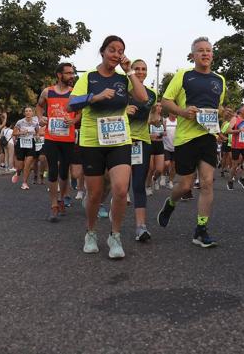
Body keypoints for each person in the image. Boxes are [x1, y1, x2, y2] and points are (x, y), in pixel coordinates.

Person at [68, 35, 147, 257]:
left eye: (120, 51)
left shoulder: (123, 79)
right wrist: (95, 96)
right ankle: (91, 232)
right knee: (95, 194)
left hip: (119, 139)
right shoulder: (89, 78)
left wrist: (130, 71)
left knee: (121, 189)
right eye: (112, 50)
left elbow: (142, 97)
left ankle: (115, 236)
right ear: (102, 52)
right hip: (92, 141)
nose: (116, 54)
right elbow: (70, 104)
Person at [156, 36, 226, 247]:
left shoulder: (219, 80)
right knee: (185, 185)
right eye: (200, 50)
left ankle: (201, 230)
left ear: (212, 54)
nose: (205, 53)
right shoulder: (183, 75)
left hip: (207, 137)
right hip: (186, 138)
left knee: (206, 182)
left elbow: (215, 109)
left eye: (208, 50)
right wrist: (183, 112)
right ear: (193, 55)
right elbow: (166, 101)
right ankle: (170, 203)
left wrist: (223, 115)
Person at [36, 62, 80, 222]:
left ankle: (62, 199)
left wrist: (73, 120)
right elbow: (39, 107)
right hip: (51, 137)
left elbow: (80, 114)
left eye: (72, 73)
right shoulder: (48, 92)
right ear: (59, 75)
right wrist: (40, 118)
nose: (72, 76)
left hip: (68, 138)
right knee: (53, 170)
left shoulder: (75, 93)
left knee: (64, 172)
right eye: (68, 73)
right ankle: (53, 205)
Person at [126, 59, 158, 241]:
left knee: (138, 184)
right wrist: (123, 109)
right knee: (116, 185)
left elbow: (147, 115)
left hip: (141, 142)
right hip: (120, 141)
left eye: (143, 69)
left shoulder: (151, 94)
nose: (140, 71)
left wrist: (155, 118)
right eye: (136, 68)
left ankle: (141, 227)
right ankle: (97, 202)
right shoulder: (122, 90)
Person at [226, 104, 244, 190]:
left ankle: (242, 178)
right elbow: (228, 130)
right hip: (236, 146)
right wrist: (237, 130)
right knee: (234, 166)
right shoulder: (235, 119)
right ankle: (230, 181)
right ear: (241, 111)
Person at [11, 107, 40, 189]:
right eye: (26, 111)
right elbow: (14, 133)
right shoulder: (20, 122)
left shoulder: (35, 122)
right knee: (20, 166)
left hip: (31, 143)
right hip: (21, 143)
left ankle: (24, 183)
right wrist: (21, 132)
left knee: (27, 165)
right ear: (24, 113)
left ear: (32, 113)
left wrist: (37, 136)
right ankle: (18, 172)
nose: (28, 112)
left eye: (30, 111)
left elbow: (38, 132)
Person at [163, 112, 177, 189]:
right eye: (173, 112)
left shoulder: (178, 122)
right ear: (169, 113)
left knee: (174, 166)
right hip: (166, 146)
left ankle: (170, 181)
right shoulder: (165, 121)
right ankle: (163, 175)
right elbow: (160, 132)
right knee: (167, 164)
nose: (175, 113)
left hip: (175, 147)